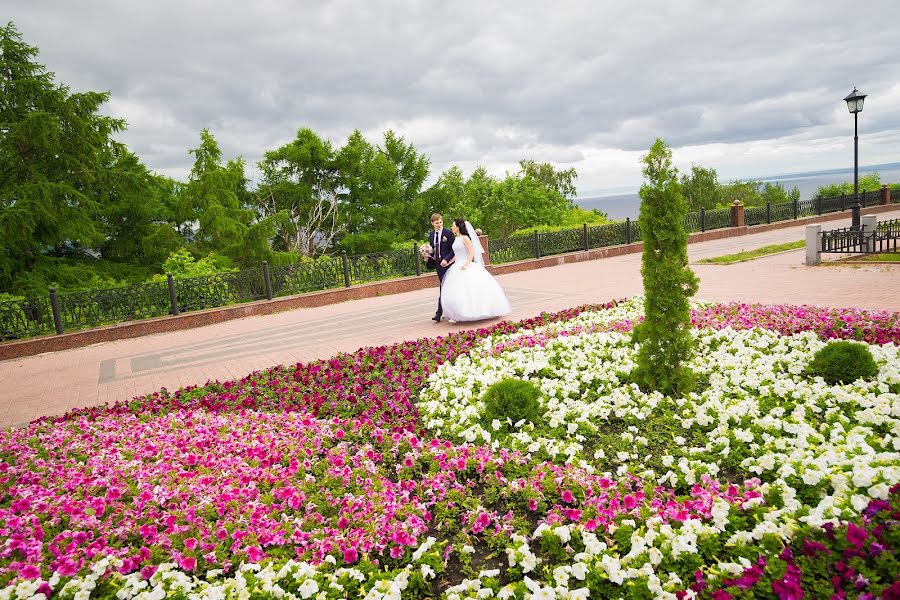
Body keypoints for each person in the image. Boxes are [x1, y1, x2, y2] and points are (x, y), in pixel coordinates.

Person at [439, 219, 511, 323]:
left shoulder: (465, 238)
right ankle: (458, 314)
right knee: (457, 291)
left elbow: (471, 252)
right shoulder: (456, 239)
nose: (452, 227)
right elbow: (456, 254)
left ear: (458, 227)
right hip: (457, 266)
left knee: (470, 290)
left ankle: (476, 312)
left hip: (465, 265)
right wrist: (448, 262)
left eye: (453, 225)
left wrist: (467, 263)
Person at [424, 213, 455, 322]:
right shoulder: (432, 234)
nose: (439, 224)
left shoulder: (448, 233)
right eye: (437, 223)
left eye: (440, 222)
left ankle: (439, 312)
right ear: (432, 223)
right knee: (444, 287)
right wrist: (427, 252)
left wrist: (446, 259)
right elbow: (433, 248)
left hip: (448, 264)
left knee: (444, 287)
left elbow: (454, 249)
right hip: (438, 265)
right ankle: (444, 311)